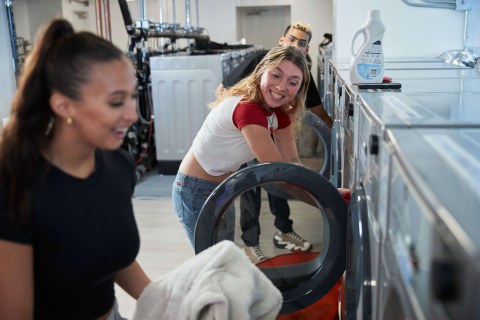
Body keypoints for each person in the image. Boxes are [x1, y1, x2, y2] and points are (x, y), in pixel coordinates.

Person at [0, 19, 151, 319]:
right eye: (116, 102)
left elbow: (107, 253)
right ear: (63, 106)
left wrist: (166, 300)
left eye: (133, 97)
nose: (133, 115)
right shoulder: (16, 187)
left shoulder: (118, 166)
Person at [172, 46, 310, 257]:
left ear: (299, 89)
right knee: (214, 262)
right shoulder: (248, 108)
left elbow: (292, 164)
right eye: (276, 75)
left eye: (292, 82)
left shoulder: (278, 113)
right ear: (262, 70)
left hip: (224, 188)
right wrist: (327, 201)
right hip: (194, 189)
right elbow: (278, 174)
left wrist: (326, 193)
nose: (282, 86)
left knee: (223, 258)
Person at [218, 22, 330, 263]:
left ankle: (283, 231)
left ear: (307, 49)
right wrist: (232, 124)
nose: (295, 45)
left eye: (302, 43)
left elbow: (317, 110)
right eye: (292, 39)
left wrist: (338, 132)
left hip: (270, 132)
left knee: (280, 176)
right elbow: (223, 87)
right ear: (282, 40)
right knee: (251, 189)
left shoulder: (300, 73)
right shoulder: (262, 59)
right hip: (245, 132)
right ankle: (251, 244)